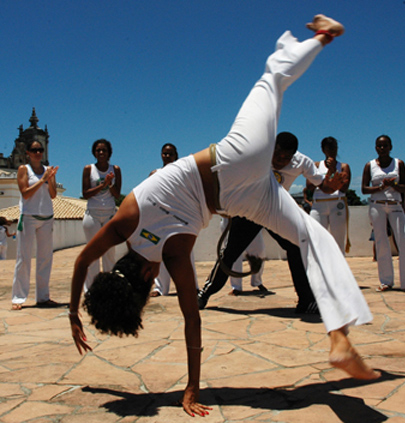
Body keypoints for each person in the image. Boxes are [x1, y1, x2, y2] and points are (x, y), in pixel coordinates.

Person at [69, 15, 379, 418]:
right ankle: (324, 34)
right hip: (232, 164)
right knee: (271, 78)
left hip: (238, 199)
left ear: (146, 279)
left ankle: (341, 339)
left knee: (310, 234)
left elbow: (192, 323)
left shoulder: (176, 256)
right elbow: (82, 261)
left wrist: (191, 390)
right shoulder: (125, 221)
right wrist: (73, 311)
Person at [197, 133, 327, 314]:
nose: (281, 161)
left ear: (293, 156)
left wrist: (333, 184)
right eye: (277, 155)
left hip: (276, 213)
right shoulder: (256, 155)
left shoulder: (303, 162)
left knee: (296, 247)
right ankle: (204, 294)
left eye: (286, 158)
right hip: (249, 211)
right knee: (229, 254)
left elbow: (323, 184)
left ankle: (306, 299)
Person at [362, 135, 405, 292]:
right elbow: (364, 189)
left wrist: (393, 184)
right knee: (381, 242)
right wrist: (381, 187)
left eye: (385, 145)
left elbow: (404, 187)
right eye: (379, 146)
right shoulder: (370, 165)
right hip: (377, 206)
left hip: (395, 205)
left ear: (390, 147)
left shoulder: (399, 164)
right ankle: (386, 281)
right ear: (375, 148)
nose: (382, 149)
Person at [12, 140, 58, 310]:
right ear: (28, 153)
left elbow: (53, 195)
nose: (38, 152)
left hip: (46, 216)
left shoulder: (48, 170)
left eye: (40, 149)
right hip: (29, 217)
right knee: (23, 258)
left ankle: (43, 297)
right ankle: (18, 298)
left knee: (45, 258)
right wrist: (42, 181)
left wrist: (50, 179)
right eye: (34, 150)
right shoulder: (24, 169)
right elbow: (25, 194)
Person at [149, 143, 199, 297]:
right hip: (161, 218)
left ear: (176, 156)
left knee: (186, 253)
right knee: (161, 253)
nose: (167, 156)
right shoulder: (154, 174)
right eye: (164, 153)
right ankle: (160, 288)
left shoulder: (183, 173)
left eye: (170, 154)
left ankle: (193, 286)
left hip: (180, 217)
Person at [82, 139, 122, 291]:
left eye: (104, 150)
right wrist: (102, 185)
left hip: (110, 215)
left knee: (109, 253)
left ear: (109, 153)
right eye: (98, 150)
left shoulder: (115, 169)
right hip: (92, 214)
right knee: (92, 254)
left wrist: (110, 184)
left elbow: (117, 194)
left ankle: (109, 289)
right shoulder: (88, 169)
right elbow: (86, 193)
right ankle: (91, 290)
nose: (101, 153)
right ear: (94, 152)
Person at [310, 136, 351, 254]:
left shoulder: (343, 167)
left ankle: (339, 271)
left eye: (334, 148)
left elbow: (344, 188)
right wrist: (328, 174)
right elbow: (309, 185)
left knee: (338, 240)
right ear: (323, 150)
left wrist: (334, 171)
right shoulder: (317, 165)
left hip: (337, 202)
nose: (332, 151)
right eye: (329, 148)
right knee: (317, 238)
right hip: (319, 204)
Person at [219, 217, 266, 295]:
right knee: (233, 255)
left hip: (249, 217)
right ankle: (236, 287)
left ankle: (257, 281)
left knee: (259, 251)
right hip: (230, 218)